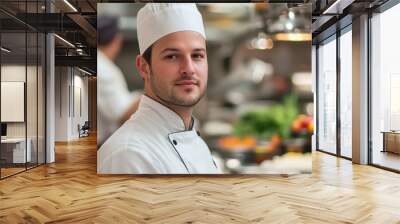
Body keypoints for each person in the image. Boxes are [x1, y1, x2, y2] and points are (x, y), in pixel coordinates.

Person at [97, 3, 220, 174]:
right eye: (172, 56)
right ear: (144, 67)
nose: (189, 68)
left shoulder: (193, 137)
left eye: (197, 55)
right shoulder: (129, 156)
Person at [97, 16, 141, 146]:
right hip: (100, 143)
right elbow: (123, 115)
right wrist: (152, 92)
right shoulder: (104, 68)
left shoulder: (101, 64)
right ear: (117, 40)